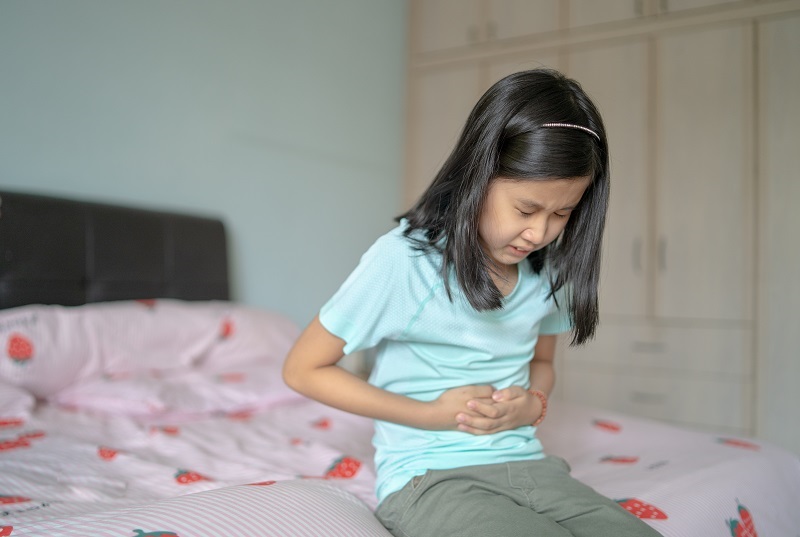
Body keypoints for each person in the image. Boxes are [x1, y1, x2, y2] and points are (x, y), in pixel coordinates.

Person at [283, 68, 661, 537]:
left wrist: (533, 405)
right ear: (476, 177)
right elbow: (302, 369)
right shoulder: (405, 262)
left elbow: (542, 363)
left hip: (530, 468)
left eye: (562, 213)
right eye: (526, 210)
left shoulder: (549, 269)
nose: (539, 233)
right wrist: (429, 415)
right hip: (430, 478)